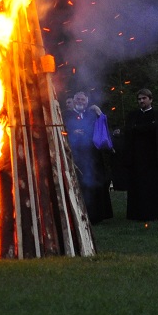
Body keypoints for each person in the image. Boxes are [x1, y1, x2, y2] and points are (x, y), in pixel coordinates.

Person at [64, 91, 114, 223]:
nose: (80, 101)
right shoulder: (66, 115)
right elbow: (61, 130)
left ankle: (96, 215)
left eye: (83, 100)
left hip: (92, 155)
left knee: (94, 183)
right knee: (79, 184)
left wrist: (99, 111)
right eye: (78, 99)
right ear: (74, 101)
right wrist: (71, 132)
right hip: (75, 155)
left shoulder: (92, 115)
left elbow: (103, 127)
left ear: (87, 101)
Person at [123, 88, 158, 221]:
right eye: (139, 99)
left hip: (153, 157)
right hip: (138, 158)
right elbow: (129, 131)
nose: (141, 101)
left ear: (150, 99)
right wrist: (147, 128)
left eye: (144, 98)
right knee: (139, 186)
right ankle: (138, 213)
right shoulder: (132, 115)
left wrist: (140, 129)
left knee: (155, 186)